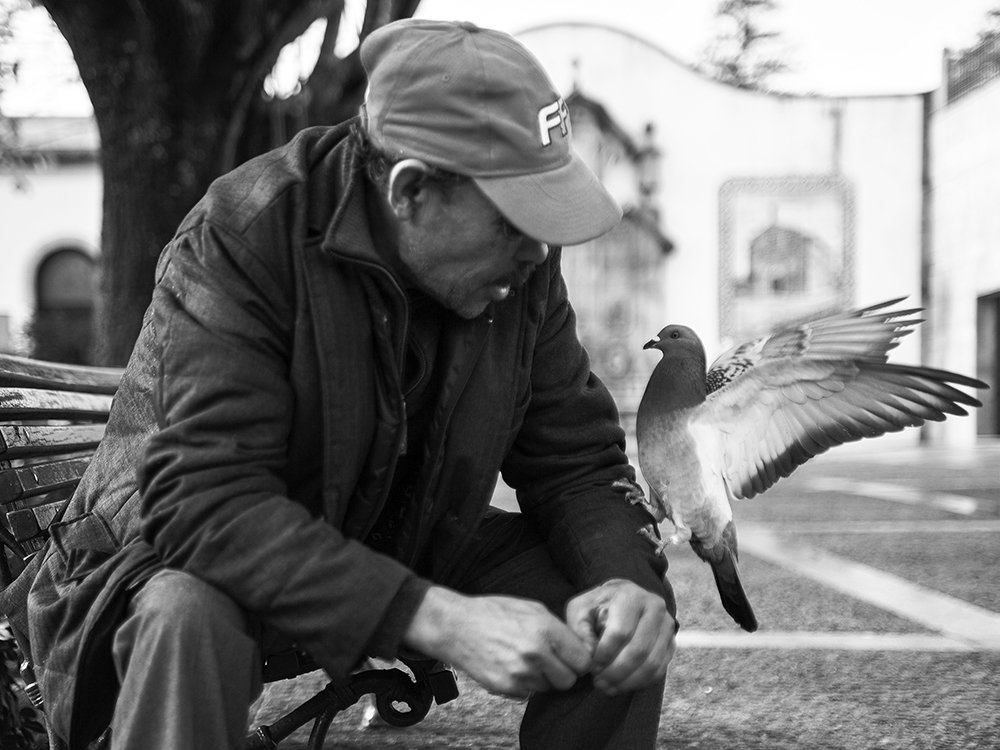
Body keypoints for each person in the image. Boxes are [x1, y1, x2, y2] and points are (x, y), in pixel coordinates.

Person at [3, 18, 677, 750]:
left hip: (395, 531)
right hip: (174, 557)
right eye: (514, 222)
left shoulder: (520, 270)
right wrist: (439, 618)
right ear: (410, 190)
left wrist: (626, 583)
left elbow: (576, 462)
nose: (537, 251)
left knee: (615, 619)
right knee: (185, 611)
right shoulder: (244, 235)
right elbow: (204, 506)